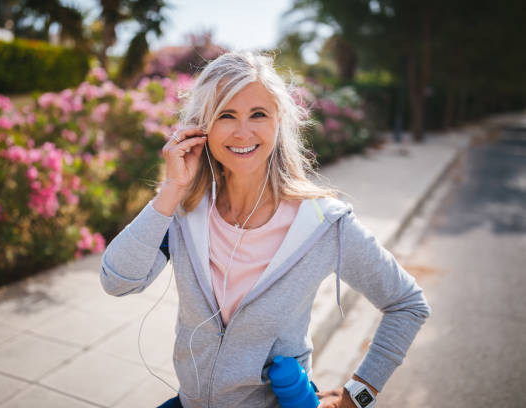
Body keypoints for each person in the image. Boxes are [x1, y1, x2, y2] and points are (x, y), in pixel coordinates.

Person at [100, 51, 431, 408]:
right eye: (226, 115)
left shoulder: (324, 224)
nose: (243, 132)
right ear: (201, 127)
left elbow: (407, 304)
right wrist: (171, 192)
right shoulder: (185, 211)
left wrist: (357, 396)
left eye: (258, 114)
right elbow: (118, 281)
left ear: (278, 122)